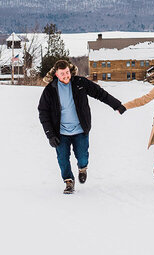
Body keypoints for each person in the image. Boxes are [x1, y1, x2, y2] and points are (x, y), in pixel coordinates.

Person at [38, 59, 126, 194]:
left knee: (83, 156)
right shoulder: (50, 90)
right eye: (62, 74)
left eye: (67, 72)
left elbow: (99, 93)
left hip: (80, 129)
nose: (66, 76)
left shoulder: (80, 83)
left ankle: (82, 168)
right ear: (56, 74)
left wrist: (117, 105)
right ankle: (68, 181)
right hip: (60, 132)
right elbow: (43, 112)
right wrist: (50, 134)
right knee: (62, 159)